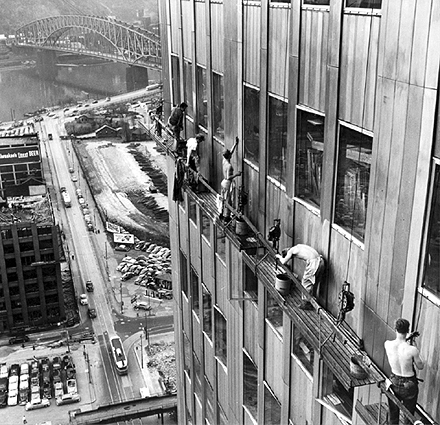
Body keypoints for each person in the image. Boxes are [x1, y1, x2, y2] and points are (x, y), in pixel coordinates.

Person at [384, 318, 424, 425]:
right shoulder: (412, 350)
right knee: (409, 414)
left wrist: (407, 337)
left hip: (394, 382)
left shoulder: (387, 344)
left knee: (393, 413)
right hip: (409, 384)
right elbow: (421, 366)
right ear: (408, 330)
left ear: (395, 329)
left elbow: (399, 344)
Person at [276, 244, 324, 310]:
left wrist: (279, 257)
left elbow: (283, 261)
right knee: (313, 282)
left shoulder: (291, 251)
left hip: (314, 263)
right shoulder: (298, 246)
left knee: (305, 282)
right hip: (321, 260)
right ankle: (312, 301)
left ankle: (307, 303)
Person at [220, 137, 241, 223]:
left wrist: (235, 144)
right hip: (227, 183)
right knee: (228, 199)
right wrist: (237, 174)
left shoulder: (224, 160)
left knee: (224, 198)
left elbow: (230, 152)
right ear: (229, 156)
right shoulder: (229, 166)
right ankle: (226, 217)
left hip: (223, 183)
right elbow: (229, 177)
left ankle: (221, 213)